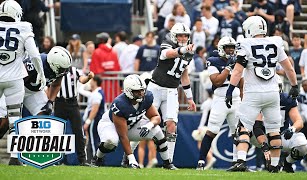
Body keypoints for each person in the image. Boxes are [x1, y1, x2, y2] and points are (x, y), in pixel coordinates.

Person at [225, 16, 298, 172]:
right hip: (272, 93)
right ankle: (274, 165)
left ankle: (241, 161)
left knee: (243, 127)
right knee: (274, 130)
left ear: (251, 28)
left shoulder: (245, 44)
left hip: (253, 92)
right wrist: (294, 85)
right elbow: (289, 68)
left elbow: (238, 71)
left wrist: (230, 90)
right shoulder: (276, 42)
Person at [91, 74, 177, 170]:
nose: (141, 93)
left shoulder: (147, 97)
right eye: (137, 91)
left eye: (142, 90)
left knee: (157, 130)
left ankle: (167, 163)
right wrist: (132, 160)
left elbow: (156, 117)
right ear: (128, 91)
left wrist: (149, 125)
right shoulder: (120, 104)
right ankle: (97, 158)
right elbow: (123, 136)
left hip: (131, 124)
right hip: (110, 125)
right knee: (110, 141)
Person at [0, 0, 46, 165]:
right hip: (14, 79)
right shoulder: (24, 27)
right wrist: (41, 73)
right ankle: (14, 156)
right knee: (14, 117)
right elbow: (34, 54)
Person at [146, 22, 197, 162]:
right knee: (144, 122)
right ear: (174, 36)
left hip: (172, 90)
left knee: (171, 125)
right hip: (155, 88)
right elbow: (168, 54)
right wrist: (182, 50)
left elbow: (184, 74)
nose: (183, 38)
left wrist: (190, 98)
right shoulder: (167, 43)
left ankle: (168, 161)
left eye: (185, 35)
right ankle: (128, 157)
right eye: (180, 35)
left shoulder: (188, 51)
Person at [197, 37, 241, 170]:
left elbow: (242, 81)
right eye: (228, 47)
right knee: (212, 131)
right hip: (220, 98)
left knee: (238, 132)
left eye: (232, 47)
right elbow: (217, 81)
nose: (231, 50)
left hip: (236, 98)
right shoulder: (213, 61)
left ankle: (237, 162)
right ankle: (201, 162)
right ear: (221, 48)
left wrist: (244, 99)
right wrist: (228, 68)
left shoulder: (239, 60)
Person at [253, 75, 307, 173]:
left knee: (302, 144)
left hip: (281, 135)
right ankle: (240, 161)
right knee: (241, 132)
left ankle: (287, 163)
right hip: (261, 135)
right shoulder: (260, 99)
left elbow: (299, 122)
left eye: (276, 87)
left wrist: (292, 129)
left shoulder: (286, 99)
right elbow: (256, 125)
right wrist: (263, 143)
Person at [54, 67, 95, 166]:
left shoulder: (74, 70)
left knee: (78, 131)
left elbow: (82, 80)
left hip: (72, 103)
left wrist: (89, 77)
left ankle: (82, 160)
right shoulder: (55, 70)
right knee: (58, 132)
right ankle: (57, 159)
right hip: (59, 102)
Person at [79, 76, 105, 163]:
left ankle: (96, 161)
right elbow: (81, 91)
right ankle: (93, 159)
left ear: (95, 81)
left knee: (94, 141)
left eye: (91, 80)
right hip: (95, 119)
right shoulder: (96, 92)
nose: (90, 82)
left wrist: (88, 121)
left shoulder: (97, 94)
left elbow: (95, 109)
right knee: (92, 141)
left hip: (95, 120)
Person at [90, 32, 121, 103]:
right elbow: (117, 68)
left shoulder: (97, 52)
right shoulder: (113, 52)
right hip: (113, 84)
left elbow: (94, 69)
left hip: (102, 84)